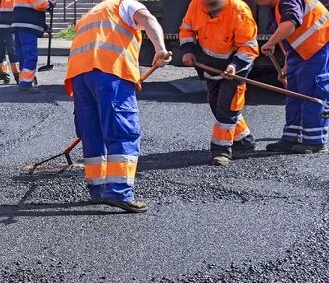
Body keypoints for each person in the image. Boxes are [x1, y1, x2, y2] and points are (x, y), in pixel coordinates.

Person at [64, 0, 171, 213]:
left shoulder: (92, 13)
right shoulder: (125, 4)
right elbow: (148, 19)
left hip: (79, 76)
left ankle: (98, 189)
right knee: (122, 131)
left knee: (92, 133)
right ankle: (119, 192)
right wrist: (160, 48)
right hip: (110, 72)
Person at [180, 0, 260, 166]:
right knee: (216, 104)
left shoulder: (239, 11)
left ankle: (221, 151)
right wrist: (188, 51)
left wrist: (234, 66)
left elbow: (248, 47)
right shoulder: (196, 4)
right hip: (210, 65)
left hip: (236, 67)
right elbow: (186, 29)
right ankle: (245, 141)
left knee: (227, 108)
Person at [256, 0, 329, 154]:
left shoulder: (287, 1)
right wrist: (288, 64)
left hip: (317, 46)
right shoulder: (275, 6)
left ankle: (315, 141)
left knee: (312, 92)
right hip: (301, 51)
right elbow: (292, 37)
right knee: (293, 93)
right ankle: (291, 138)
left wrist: (270, 43)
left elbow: (290, 24)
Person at [12, 0, 55, 93]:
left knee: (23, 56)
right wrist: (51, 3)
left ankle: (23, 81)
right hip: (27, 27)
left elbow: (29, 10)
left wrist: (45, 27)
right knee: (31, 56)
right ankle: (26, 84)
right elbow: (39, 5)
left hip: (19, 25)